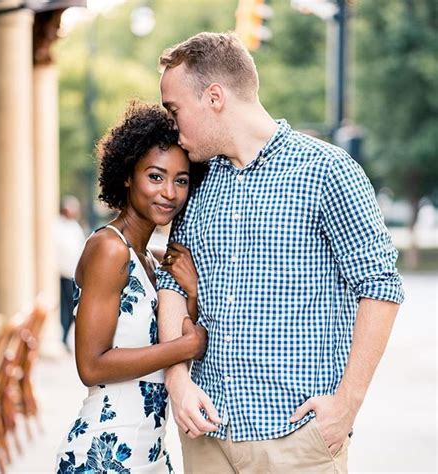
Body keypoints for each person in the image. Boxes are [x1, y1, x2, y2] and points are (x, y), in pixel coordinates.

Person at [157, 32, 404, 473]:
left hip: (296, 441)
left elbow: (381, 287)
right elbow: (173, 281)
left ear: (214, 97)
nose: (173, 127)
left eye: (175, 110)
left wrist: (347, 403)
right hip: (207, 436)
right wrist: (177, 381)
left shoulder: (328, 171)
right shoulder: (196, 183)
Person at [55, 102, 205, 473]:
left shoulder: (152, 260)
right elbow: (91, 365)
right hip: (104, 454)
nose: (169, 192)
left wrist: (192, 293)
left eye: (181, 180)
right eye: (155, 176)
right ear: (126, 176)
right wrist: (184, 346)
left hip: (150, 453)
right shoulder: (109, 249)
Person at [55, 195, 86, 349]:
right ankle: (62, 338)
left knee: (72, 309)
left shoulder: (74, 227)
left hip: (72, 276)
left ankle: (66, 337)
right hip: (60, 275)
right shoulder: (56, 225)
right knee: (65, 310)